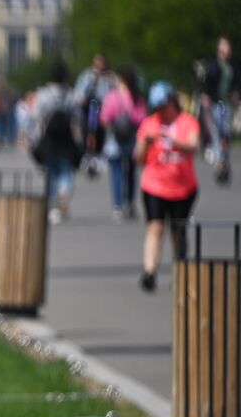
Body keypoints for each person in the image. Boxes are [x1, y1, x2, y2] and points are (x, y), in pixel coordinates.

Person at [135, 81, 200, 293]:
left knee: (178, 231)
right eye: (157, 107)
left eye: (164, 106)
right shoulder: (149, 123)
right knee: (155, 227)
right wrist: (146, 143)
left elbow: (193, 146)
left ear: (173, 102)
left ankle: (181, 272)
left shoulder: (187, 122)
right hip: (154, 185)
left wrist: (174, 143)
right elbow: (137, 157)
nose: (161, 111)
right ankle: (150, 271)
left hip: (183, 187)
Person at [30, 61, 83, 224]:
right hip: (66, 137)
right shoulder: (71, 95)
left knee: (51, 171)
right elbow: (78, 117)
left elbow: (36, 115)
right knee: (66, 170)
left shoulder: (44, 94)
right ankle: (63, 196)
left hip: (50, 137)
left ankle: (53, 205)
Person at [99, 65, 146, 221]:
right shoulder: (137, 97)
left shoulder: (113, 96)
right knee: (131, 173)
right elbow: (142, 119)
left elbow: (105, 118)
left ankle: (118, 206)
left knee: (117, 173)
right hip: (133, 138)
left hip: (115, 139)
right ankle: (130, 203)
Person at [197, 36, 235, 185]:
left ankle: (223, 158)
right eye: (224, 47)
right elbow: (206, 82)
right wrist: (205, 96)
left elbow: (236, 84)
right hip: (215, 102)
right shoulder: (212, 65)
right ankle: (219, 161)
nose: (227, 50)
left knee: (225, 132)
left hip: (226, 103)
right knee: (215, 130)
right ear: (219, 49)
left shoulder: (232, 66)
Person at [74, 52, 115, 166]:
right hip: (92, 105)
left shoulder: (110, 77)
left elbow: (114, 91)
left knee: (103, 130)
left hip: (106, 106)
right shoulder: (88, 75)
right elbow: (79, 91)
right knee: (91, 129)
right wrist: (80, 98)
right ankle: (88, 151)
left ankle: (100, 151)